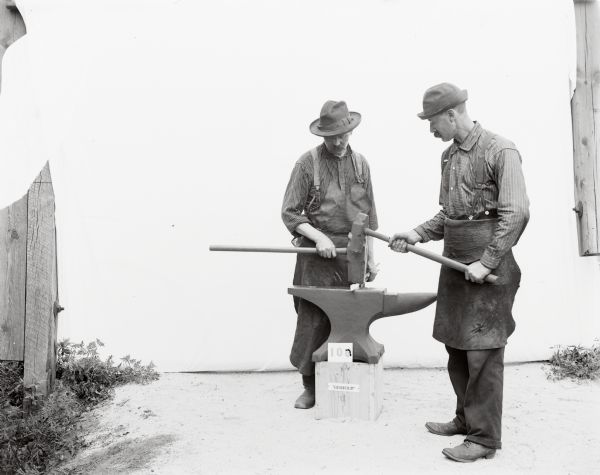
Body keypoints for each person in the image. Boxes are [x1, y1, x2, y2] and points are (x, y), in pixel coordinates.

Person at [390, 83, 529, 462]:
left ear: (451, 115)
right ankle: (466, 419)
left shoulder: (501, 150)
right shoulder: (448, 157)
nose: (431, 130)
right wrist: (417, 233)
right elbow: (449, 215)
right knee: (456, 345)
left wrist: (487, 261)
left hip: (489, 266)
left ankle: (484, 439)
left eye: (433, 121)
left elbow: (516, 213)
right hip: (454, 263)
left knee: (483, 351)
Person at [281, 100, 378, 409]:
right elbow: (290, 213)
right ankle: (310, 385)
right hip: (315, 256)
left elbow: (369, 218)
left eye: (343, 135)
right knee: (314, 320)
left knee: (348, 322)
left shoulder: (361, 164)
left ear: (351, 130)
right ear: (321, 134)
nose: (338, 141)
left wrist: (369, 259)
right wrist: (318, 237)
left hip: (351, 256)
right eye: (332, 136)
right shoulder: (307, 164)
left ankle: (342, 380)